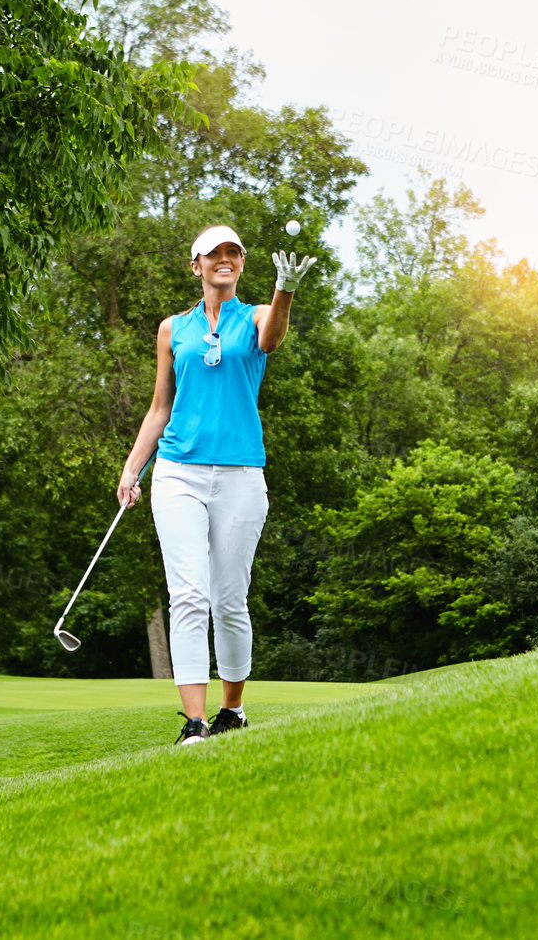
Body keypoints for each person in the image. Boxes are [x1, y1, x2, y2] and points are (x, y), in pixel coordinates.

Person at [118, 224, 317, 746]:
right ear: (196, 265)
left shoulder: (252, 317)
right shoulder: (172, 329)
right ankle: (194, 722)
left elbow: (272, 336)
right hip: (177, 471)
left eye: (233, 253)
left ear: (242, 264)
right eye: (214, 254)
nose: (224, 260)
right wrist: (132, 468)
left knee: (229, 597)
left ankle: (233, 710)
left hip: (240, 475)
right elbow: (160, 407)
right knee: (188, 596)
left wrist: (285, 289)